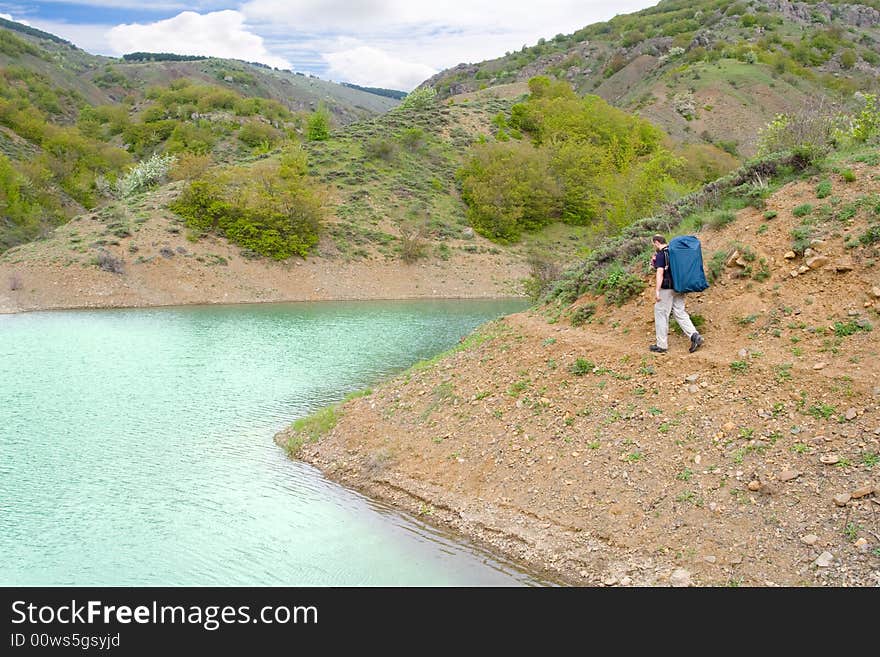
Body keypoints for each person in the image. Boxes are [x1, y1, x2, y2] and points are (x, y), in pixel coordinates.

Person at [649, 235, 703, 354]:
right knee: (680, 312)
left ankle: (661, 345)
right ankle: (694, 336)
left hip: (667, 288)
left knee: (661, 313)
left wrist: (657, 290)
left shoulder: (661, 255)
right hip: (679, 287)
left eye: (653, 244)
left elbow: (660, 273)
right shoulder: (674, 252)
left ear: (657, 242)